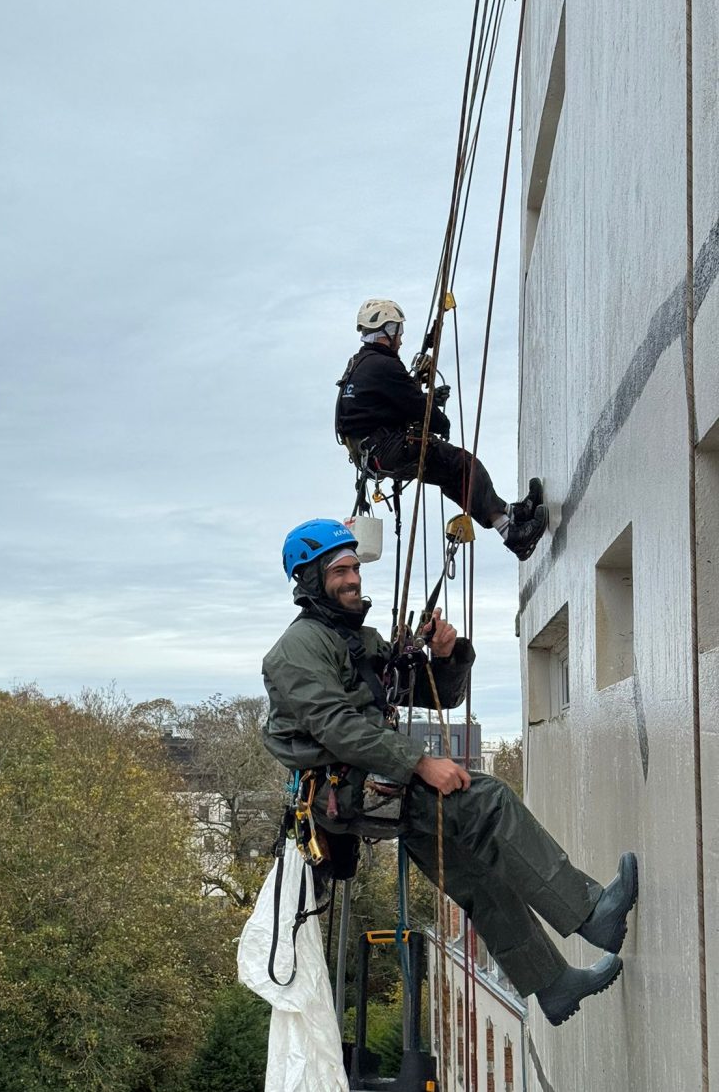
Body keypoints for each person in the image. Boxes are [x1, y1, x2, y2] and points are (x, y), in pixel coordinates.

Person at [261, 519, 639, 1025]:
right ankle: (591, 913)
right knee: (487, 801)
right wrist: (420, 763)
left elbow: (436, 693)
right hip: (347, 787)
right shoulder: (298, 650)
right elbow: (336, 725)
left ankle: (552, 985)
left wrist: (445, 655)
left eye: (354, 567)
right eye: (339, 571)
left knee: (475, 874)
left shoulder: (357, 639)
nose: (353, 579)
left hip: (365, 781)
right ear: (308, 579)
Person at [336, 299, 548, 560]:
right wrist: (440, 420)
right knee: (463, 464)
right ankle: (512, 535)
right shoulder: (384, 366)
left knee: (450, 474)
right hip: (386, 449)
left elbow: (389, 404)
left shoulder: (360, 363)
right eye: (399, 332)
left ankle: (509, 515)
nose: (401, 340)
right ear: (388, 331)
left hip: (373, 450)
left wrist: (430, 399)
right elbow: (416, 407)